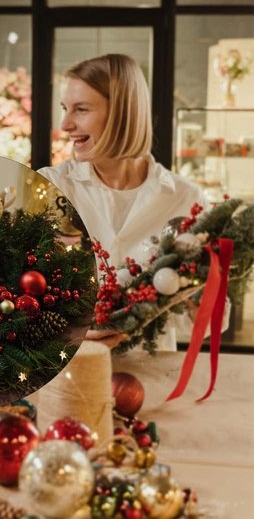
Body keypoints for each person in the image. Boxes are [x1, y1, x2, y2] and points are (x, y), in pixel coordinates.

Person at [38, 53, 212, 350]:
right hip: (67, 375)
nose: (65, 124)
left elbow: (207, 322)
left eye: (81, 110)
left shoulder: (186, 199)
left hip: (153, 379)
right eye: (65, 109)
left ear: (123, 113)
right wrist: (68, 328)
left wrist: (182, 303)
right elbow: (17, 296)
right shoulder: (50, 187)